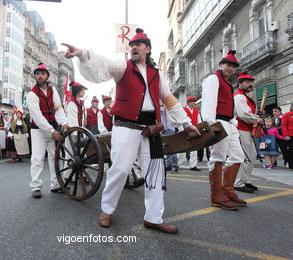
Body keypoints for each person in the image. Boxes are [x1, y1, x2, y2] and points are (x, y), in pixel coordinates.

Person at [62, 28, 199, 234]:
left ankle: (154, 217)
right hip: (125, 127)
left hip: (150, 129)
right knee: (120, 170)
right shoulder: (123, 67)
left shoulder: (157, 74)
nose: (133, 47)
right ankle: (107, 209)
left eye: (138, 44)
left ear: (148, 48)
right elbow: (103, 65)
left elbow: (169, 99)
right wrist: (82, 54)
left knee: (155, 173)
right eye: (132, 45)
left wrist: (186, 123)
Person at [201, 50, 247, 210]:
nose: (231, 69)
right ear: (221, 65)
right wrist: (212, 126)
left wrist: (233, 121)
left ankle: (227, 191)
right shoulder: (213, 79)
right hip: (218, 122)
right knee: (217, 158)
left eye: (234, 67)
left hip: (228, 123)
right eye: (229, 65)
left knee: (238, 156)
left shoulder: (227, 82)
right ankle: (216, 195)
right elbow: (208, 104)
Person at [26, 63, 69, 198]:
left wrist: (64, 122)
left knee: (54, 157)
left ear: (47, 76)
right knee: (37, 158)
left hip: (52, 127)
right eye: (37, 73)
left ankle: (56, 184)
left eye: (42, 73)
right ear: (35, 76)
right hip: (38, 130)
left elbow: (58, 108)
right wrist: (52, 131)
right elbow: (37, 117)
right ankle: (36, 186)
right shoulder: (32, 94)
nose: (39, 76)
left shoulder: (53, 90)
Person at [233, 72, 263, 193]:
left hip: (247, 130)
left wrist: (256, 116)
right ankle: (238, 183)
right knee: (244, 157)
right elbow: (243, 114)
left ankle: (245, 180)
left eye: (251, 82)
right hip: (240, 129)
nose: (251, 84)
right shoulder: (239, 96)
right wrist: (257, 119)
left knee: (252, 155)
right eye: (247, 82)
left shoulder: (244, 96)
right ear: (240, 84)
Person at [178, 97, 202, 171]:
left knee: (194, 149)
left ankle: (193, 165)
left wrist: (199, 129)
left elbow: (199, 121)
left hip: (194, 131)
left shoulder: (196, 111)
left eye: (195, 101)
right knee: (182, 149)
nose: (195, 103)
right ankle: (177, 164)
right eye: (193, 101)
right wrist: (181, 130)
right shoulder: (183, 110)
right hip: (185, 131)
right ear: (189, 102)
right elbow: (180, 120)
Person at [281, 104, 293, 170]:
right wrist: (286, 135)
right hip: (290, 135)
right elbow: (284, 125)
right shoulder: (287, 115)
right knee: (291, 150)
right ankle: (290, 164)